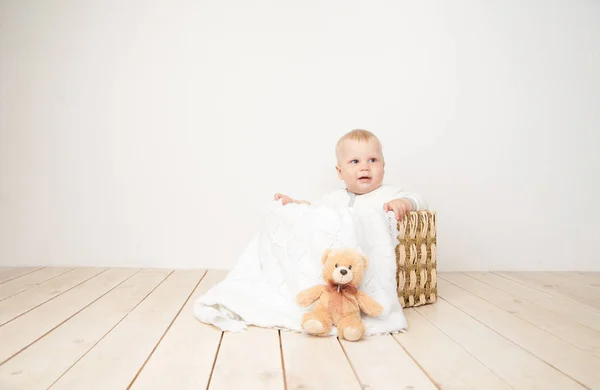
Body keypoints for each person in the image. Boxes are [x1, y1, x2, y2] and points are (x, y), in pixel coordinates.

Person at [274, 129, 427, 221]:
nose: (365, 167)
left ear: (383, 167)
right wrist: (294, 203)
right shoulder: (333, 197)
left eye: (372, 160)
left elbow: (420, 201)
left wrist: (404, 203)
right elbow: (313, 209)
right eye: (355, 161)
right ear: (340, 172)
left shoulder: (389, 194)